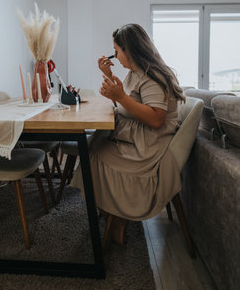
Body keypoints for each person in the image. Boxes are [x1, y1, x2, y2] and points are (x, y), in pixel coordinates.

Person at [71, 23, 185, 245]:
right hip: (140, 137)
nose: (115, 56)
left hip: (148, 145)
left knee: (94, 154)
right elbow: (129, 105)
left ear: (129, 49)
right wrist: (109, 77)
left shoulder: (153, 76)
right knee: (95, 144)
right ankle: (110, 209)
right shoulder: (137, 72)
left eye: (117, 50)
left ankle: (117, 215)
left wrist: (120, 97)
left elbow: (155, 118)